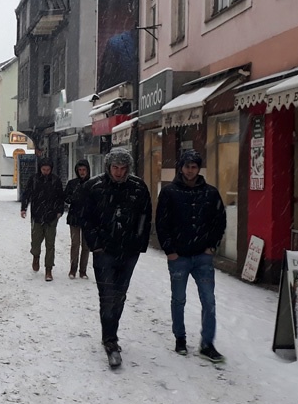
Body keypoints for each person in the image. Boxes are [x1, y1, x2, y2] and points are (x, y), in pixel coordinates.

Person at [80, 148, 152, 368]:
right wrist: (96, 245)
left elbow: (145, 216)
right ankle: (110, 340)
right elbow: (86, 219)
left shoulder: (138, 187)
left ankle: (111, 332)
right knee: (107, 296)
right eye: (115, 168)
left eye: (123, 168)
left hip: (129, 251)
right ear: (108, 167)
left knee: (120, 295)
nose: (119, 173)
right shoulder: (94, 187)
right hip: (105, 252)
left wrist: (139, 243)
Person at [156, 148, 227, 363]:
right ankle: (180, 338)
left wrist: (211, 246)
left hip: (202, 256)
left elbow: (219, 221)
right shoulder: (169, 192)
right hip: (179, 257)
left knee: (209, 300)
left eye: (194, 166)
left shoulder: (211, 193)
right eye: (187, 166)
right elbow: (161, 223)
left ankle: (207, 343)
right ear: (181, 168)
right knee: (179, 300)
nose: (190, 170)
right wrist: (170, 250)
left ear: (198, 168)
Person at [19, 157, 65, 281]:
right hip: (37, 215)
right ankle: (36, 256)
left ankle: (48, 269)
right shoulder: (33, 179)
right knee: (36, 241)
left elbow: (61, 197)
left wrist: (59, 211)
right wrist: (24, 208)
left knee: (50, 244)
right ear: (40, 169)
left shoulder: (56, 180)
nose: (46, 171)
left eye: (48, 169)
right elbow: (26, 194)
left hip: (51, 216)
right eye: (44, 169)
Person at [63, 159, 92, 279]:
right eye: (80, 170)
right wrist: (73, 198)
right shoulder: (72, 183)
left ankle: (83, 270)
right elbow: (66, 198)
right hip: (75, 217)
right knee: (75, 244)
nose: (82, 172)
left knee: (86, 246)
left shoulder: (92, 183)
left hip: (88, 219)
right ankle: (73, 268)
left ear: (88, 170)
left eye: (84, 170)